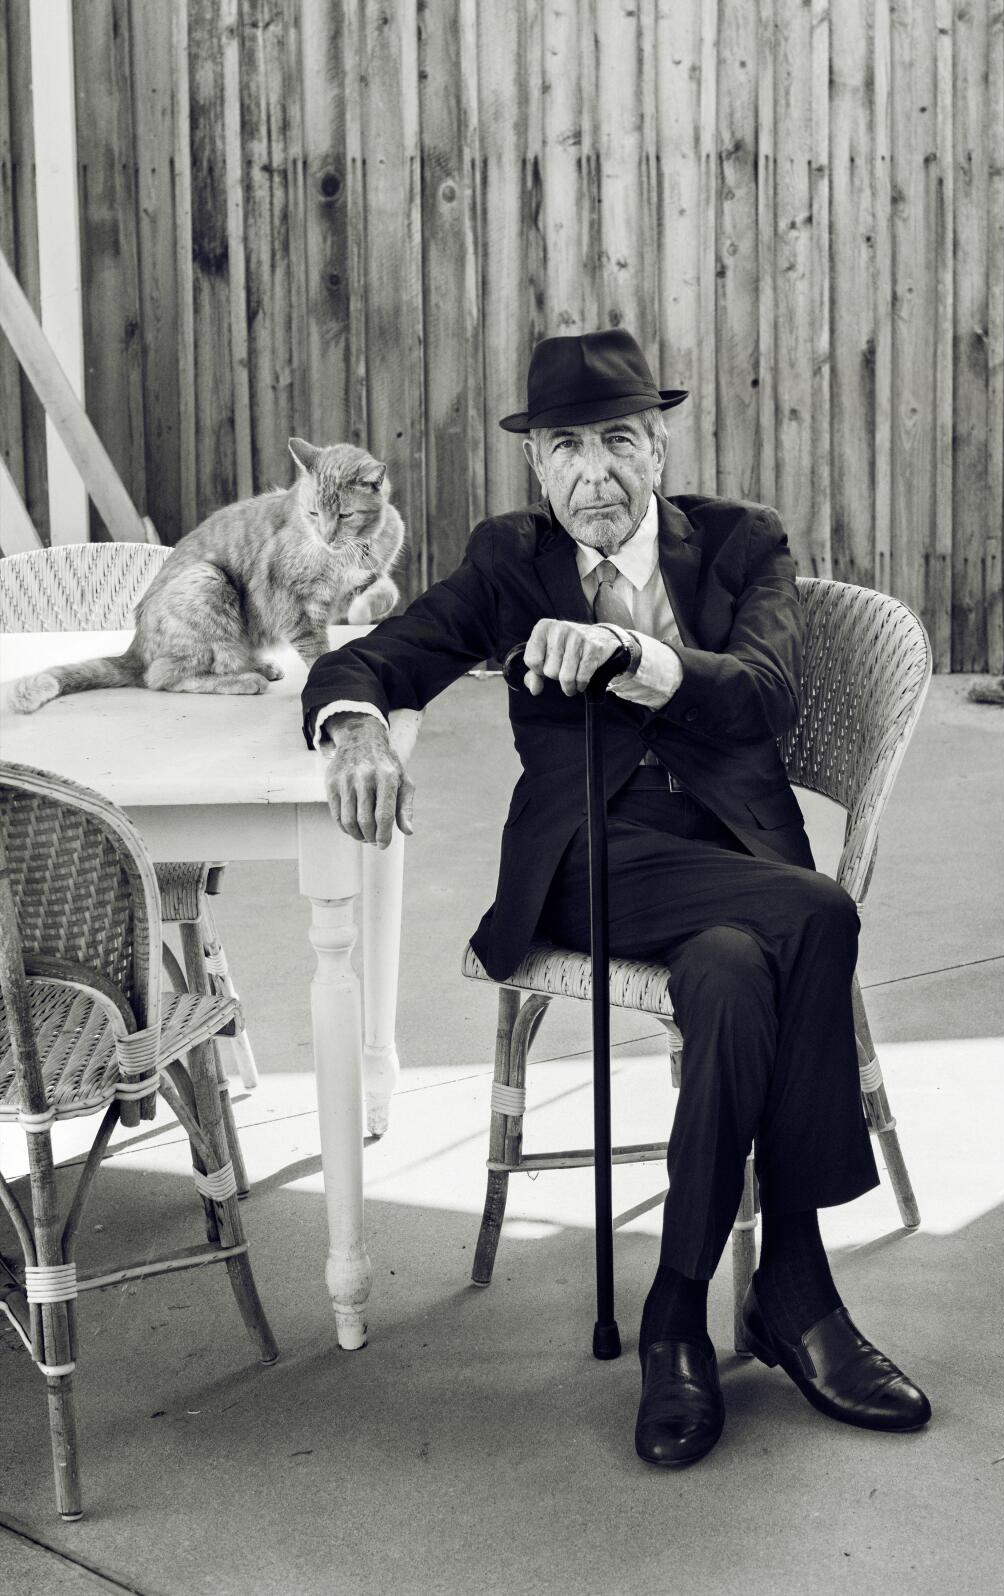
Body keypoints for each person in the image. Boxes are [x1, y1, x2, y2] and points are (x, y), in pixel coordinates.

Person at [301, 329, 931, 1467]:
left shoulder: (743, 542)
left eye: (617, 442)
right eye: (566, 448)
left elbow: (768, 697)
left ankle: (677, 1315)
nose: (594, 473)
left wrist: (630, 654)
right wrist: (352, 728)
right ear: (537, 464)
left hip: (735, 853)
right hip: (591, 863)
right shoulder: (510, 558)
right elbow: (381, 659)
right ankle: (797, 1286)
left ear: (658, 445)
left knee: (739, 968)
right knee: (821, 915)